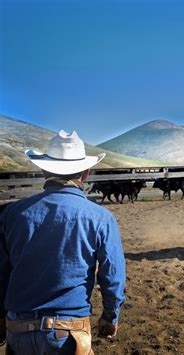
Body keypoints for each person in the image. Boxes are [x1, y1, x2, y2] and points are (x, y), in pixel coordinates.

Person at [0, 130, 126, 354]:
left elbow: (2, 272)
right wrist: (110, 317)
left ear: (43, 169)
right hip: (68, 332)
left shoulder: (12, 213)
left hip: (18, 329)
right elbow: (112, 277)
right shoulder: (101, 218)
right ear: (86, 173)